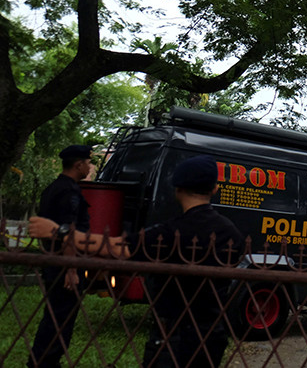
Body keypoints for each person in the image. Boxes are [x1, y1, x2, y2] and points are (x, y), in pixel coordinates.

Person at [29, 155, 244, 368]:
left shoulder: (170, 232)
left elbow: (114, 248)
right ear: (215, 189)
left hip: (173, 335)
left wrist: (59, 232)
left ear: (177, 189)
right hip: (211, 333)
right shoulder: (232, 233)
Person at [29, 144, 93, 368]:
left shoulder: (53, 188)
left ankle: (43, 359)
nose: (90, 166)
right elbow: (69, 231)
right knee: (61, 318)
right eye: (88, 162)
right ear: (78, 165)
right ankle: (47, 361)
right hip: (64, 264)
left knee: (55, 315)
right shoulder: (69, 191)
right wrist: (72, 268)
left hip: (52, 260)